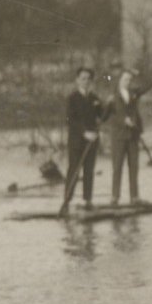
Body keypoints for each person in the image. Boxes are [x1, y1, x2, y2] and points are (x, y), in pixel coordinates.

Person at [58, 66, 106, 215]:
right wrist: (84, 132)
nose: (85, 81)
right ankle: (67, 200)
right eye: (83, 78)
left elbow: (102, 116)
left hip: (92, 141)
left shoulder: (94, 98)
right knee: (74, 169)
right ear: (77, 80)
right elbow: (70, 120)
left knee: (89, 170)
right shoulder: (72, 98)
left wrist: (108, 107)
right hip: (77, 141)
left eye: (88, 79)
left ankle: (88, 200)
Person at [108, 68, 147, 206]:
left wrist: (138, 73)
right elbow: (108, 117)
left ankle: (134, 196)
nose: (127, 82)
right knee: (117, 167)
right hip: (118, 136)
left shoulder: (133, 94)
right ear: (119, 81)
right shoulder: (112, 97)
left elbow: (149, 84)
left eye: (130, 80)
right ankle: (115, 197)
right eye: (125, 79)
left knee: (134, 167)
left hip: (133, 135)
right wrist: (123, 121)